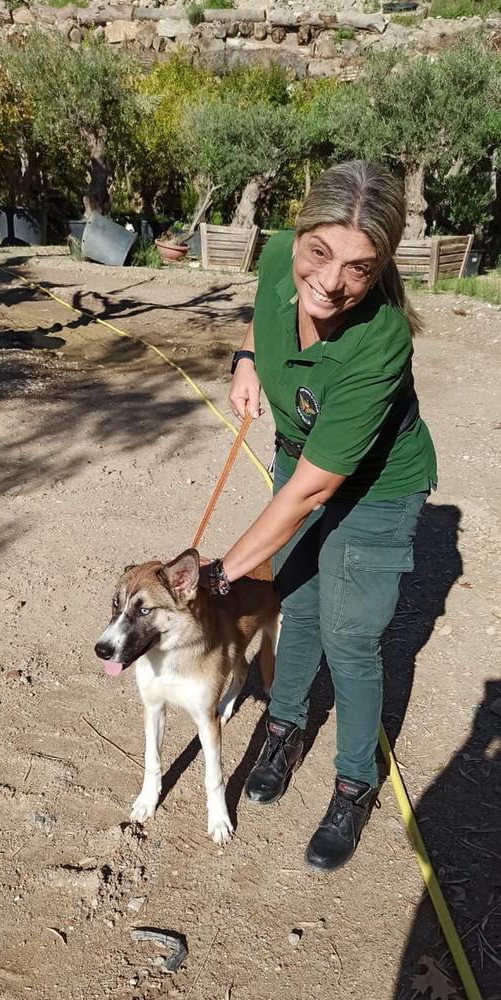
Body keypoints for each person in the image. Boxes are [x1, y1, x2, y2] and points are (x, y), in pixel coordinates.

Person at [205, 160, 437, 873]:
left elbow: (310, 492)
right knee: (295, 605)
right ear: (300, 235)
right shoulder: (281, 252)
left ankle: (352, 783)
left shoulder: (379, 341)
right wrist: (246, 358)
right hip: (298, 457)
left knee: (350, 636)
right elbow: (264, 310)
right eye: (320, 253)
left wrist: (217, 574)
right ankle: (283, 726)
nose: (332, 282)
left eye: (360, 269)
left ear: (383, 266)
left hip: (373, 488)